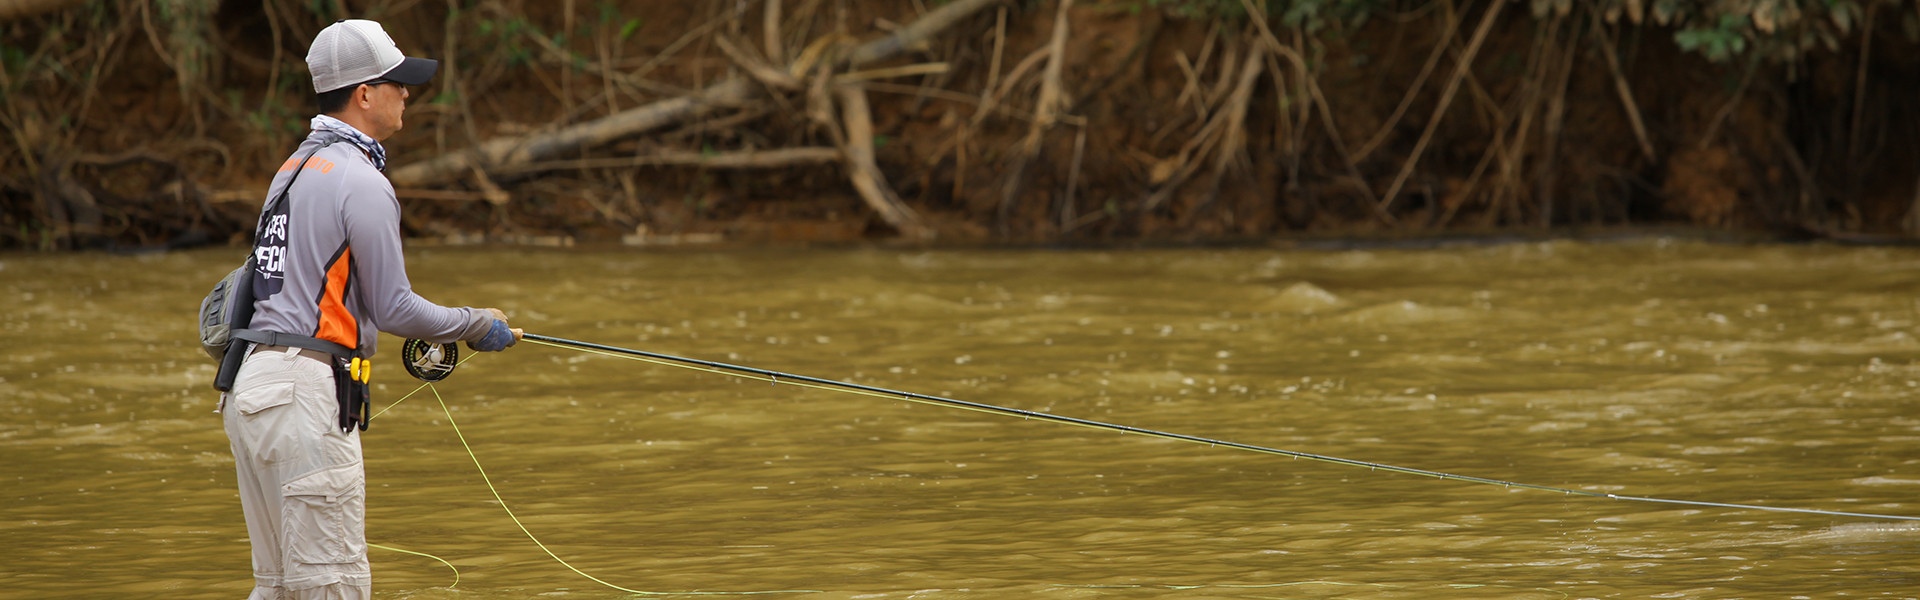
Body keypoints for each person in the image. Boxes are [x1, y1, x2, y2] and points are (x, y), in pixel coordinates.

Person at [220, 19, 519, 600]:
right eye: (397, 82)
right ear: (364, 94)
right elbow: (394, 307)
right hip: (305, 395)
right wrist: (476, 324)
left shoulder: (291, 171)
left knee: (278, 586)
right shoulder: (360, 179)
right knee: (333, 586)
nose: (407, 92)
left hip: (249, 388)